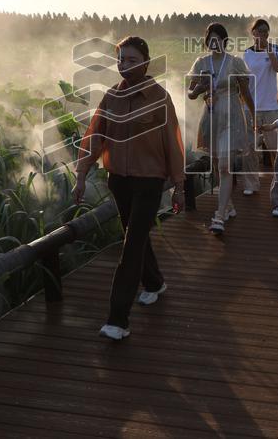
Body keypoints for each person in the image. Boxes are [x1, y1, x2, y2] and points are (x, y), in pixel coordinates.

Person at [74, 36, 186, 341]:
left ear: (147, 62)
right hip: (119, 181)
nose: (125, 65)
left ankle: (117, 319)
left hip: (149, 181)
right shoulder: (112, 96)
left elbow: (172, 143)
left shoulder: (159, 98)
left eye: (132, 60)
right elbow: (95, 136)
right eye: (121, 59)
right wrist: (82, 174)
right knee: (134, 235)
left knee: (132, 244)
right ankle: (154, 283)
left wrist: (179, 185)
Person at [188, 22, 256, 235]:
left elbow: (245, 92)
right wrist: (199, 88)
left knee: (225, 166)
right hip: (211, 117)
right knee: (218, 164)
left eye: (218, 38)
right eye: (210, 39)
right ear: (206, 41)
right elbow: (191, 94)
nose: (214, 42)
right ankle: (229, 205)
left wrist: (253, 117)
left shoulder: (235, 63)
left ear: (225, 41)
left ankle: (219, 216)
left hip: (232, 116)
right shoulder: (201, 63)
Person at [240, 18, 278, 196]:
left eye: (266, 31)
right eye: (260, 31)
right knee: (250, 148)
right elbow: (243, 79)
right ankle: (251, 184)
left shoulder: (274, 48)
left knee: (275, 147)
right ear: (253, 33)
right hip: (251, 106)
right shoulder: (247, 54)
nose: (264, 34)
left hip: (271, 106)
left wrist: (269, 50)